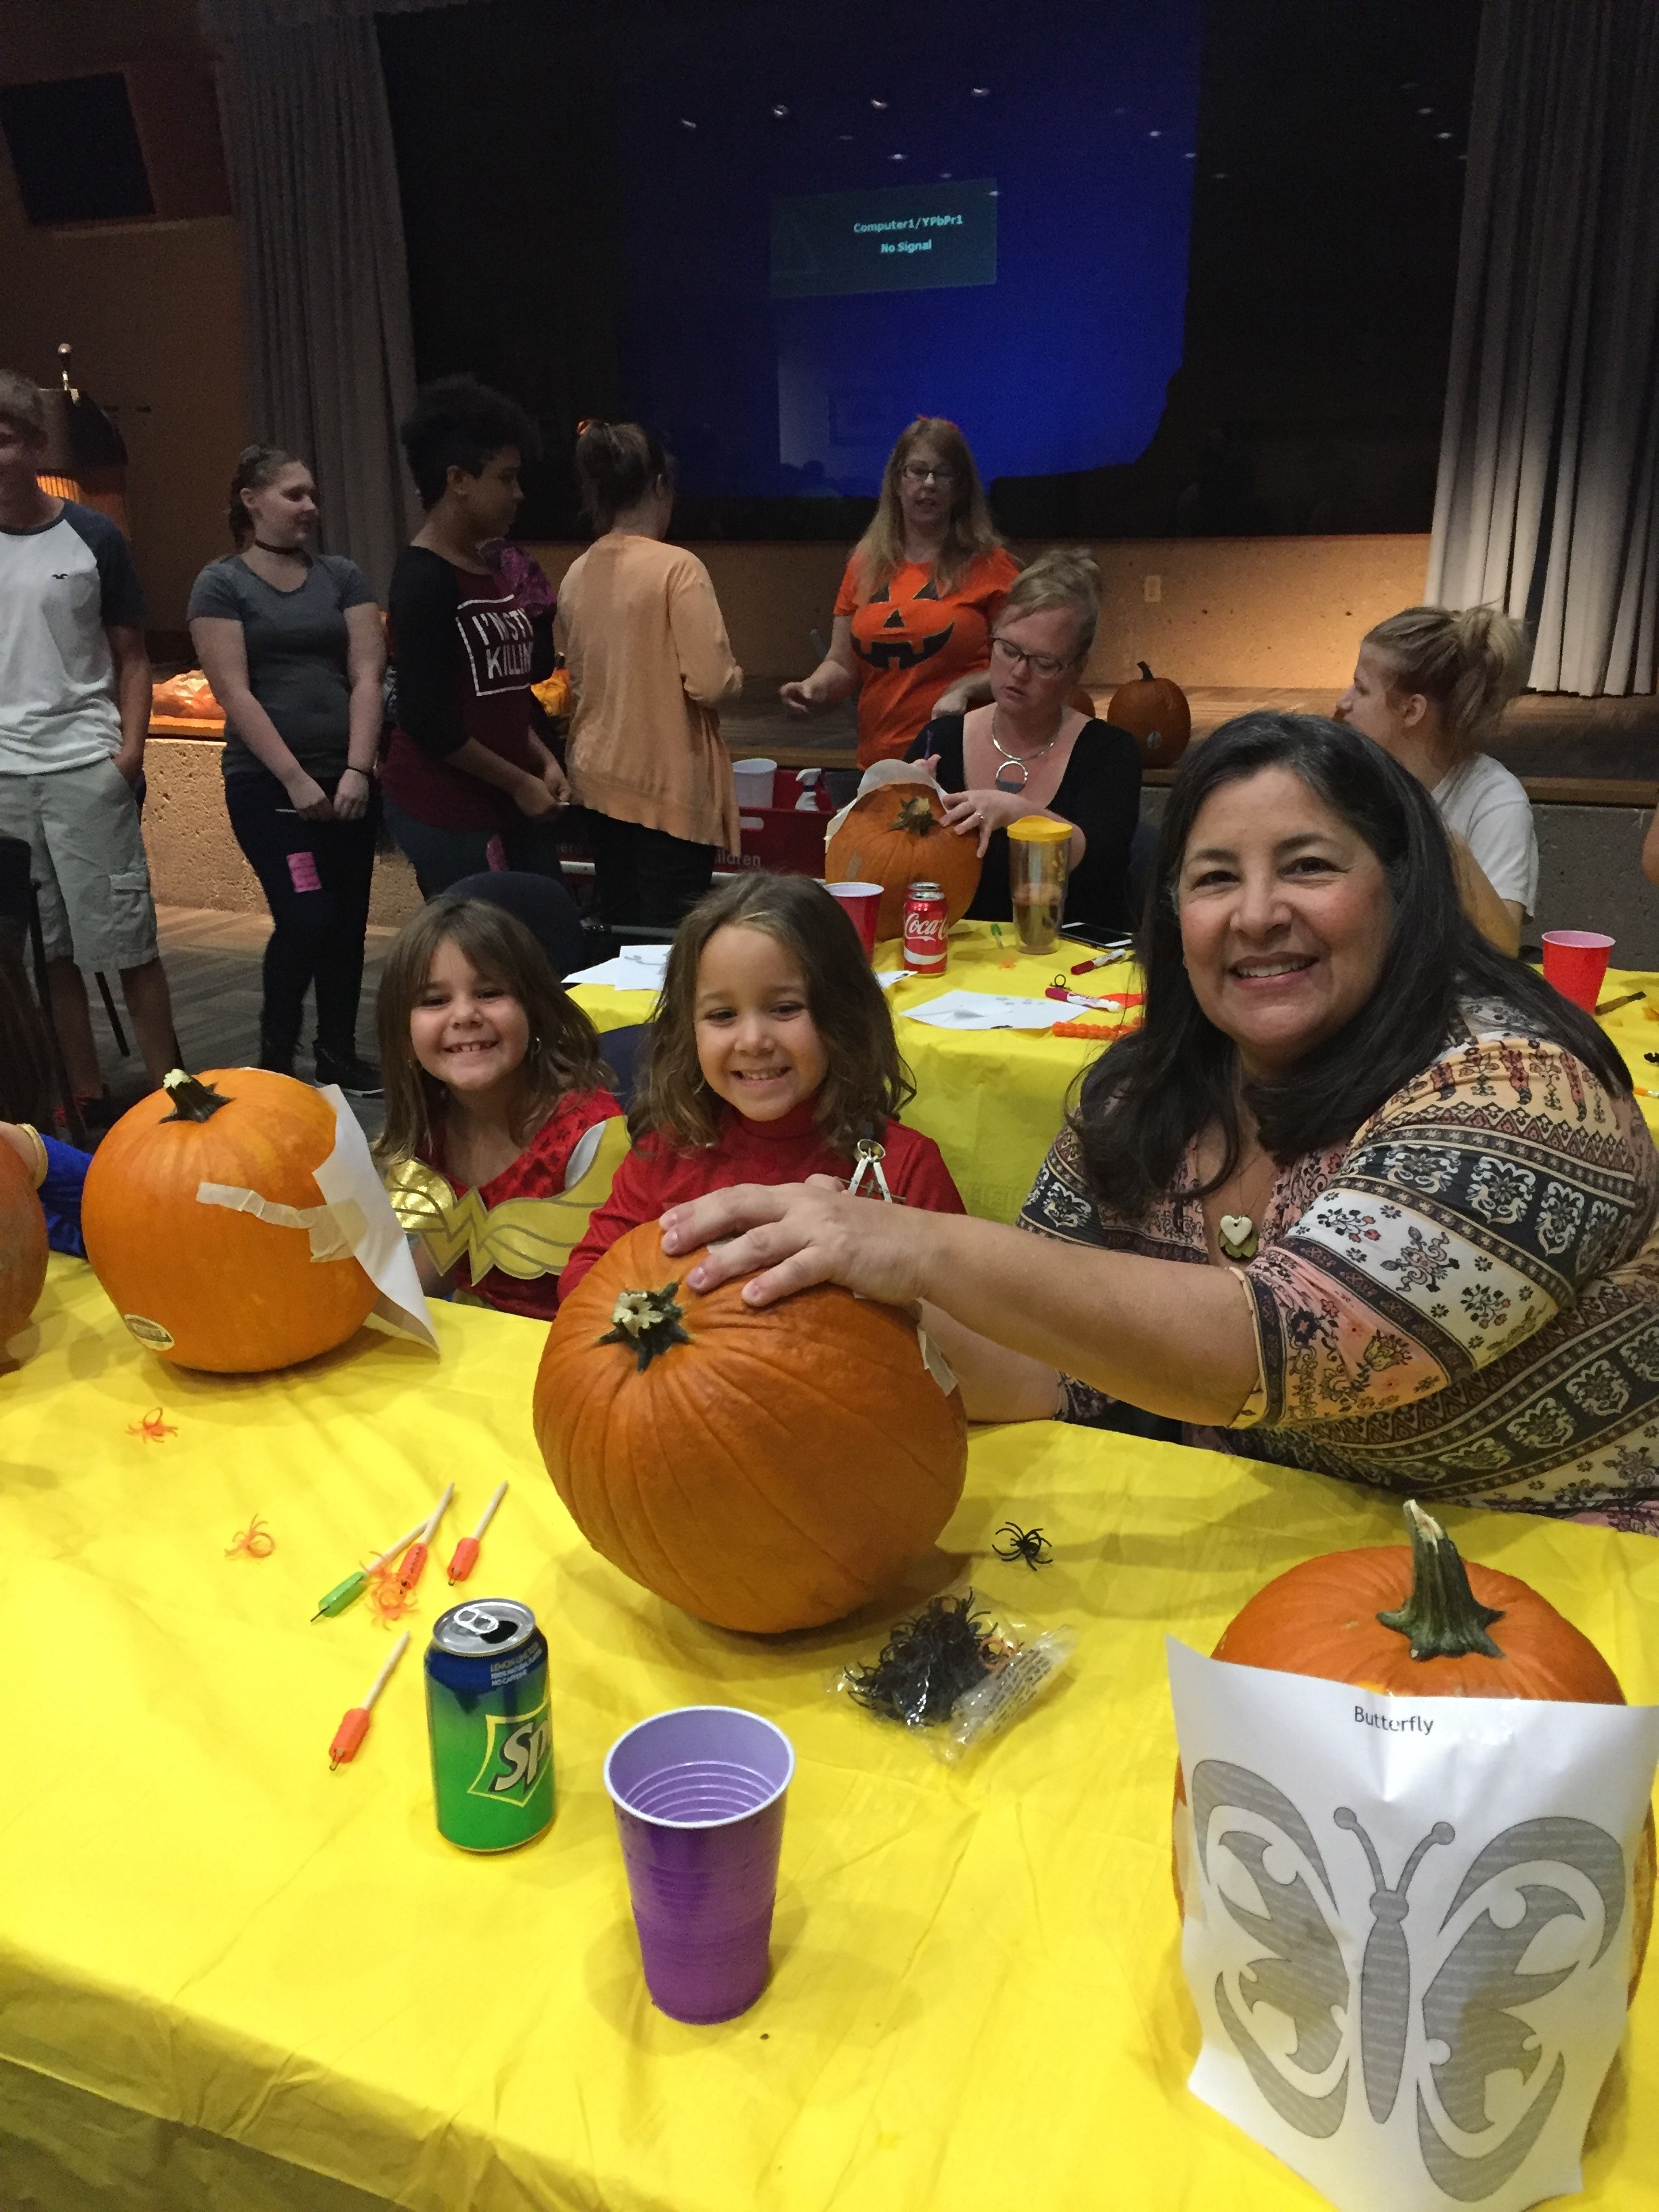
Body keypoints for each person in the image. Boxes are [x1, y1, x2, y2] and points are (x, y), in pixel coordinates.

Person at [657, 714, 1659, 1530]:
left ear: (1401, 888)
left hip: (1553, 1586)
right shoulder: (1142, 1099)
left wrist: (913, 1244)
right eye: (1215, 877)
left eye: (1308, 866)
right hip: (1255, 1559)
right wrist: (818, 1325)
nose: (1255, 913)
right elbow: (1053, 1362)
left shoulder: (1521, 1090)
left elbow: (1289, 1343)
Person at [560, 872, 964, 1296]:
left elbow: (963, 1315)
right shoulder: (666, 1151)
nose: (753, 1041)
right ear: (688, 1031)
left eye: (785, 1008)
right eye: (722, 1015)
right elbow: (584, 1278)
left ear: (845, 1015)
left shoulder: (903, 1168)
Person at [0, 367, 178, 1119]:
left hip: (84, 763)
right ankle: (84, 1093)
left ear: (35, 446)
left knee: (126, 937)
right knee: (48, 951)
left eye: (3, 439)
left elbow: (133, 656)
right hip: (5, 778)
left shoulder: (92, 535)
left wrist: (127, 758)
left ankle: (174, 1091)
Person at [187, 445, 386, 1090]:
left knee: (346, 924)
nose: (310, 507)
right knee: (307, 917)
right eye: (294, 494)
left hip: (346, 779)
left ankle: (337, 1054)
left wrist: (357, 769)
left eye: (313, 496)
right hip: (269, 786)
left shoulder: (342, 576)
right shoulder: (222, 583)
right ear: (251, 500)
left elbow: (367, 674)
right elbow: (233, 691)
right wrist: (296, 779)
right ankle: (275, 1059)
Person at [374, 897, 624, 1322]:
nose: (465, 1015)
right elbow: (451, 1247)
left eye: (490, 993)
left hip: (567, 1341)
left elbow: (616, 1301)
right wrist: (378, 1316)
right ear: (403, 1035)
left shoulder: (592, 1139)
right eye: (434, 1000)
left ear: (535, 1011)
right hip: (474, 1340)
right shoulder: (431, 1122)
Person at [381, 378, 568, 897]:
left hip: (503, 797)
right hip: (444, 807)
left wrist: (542, 760)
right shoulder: (423, 578)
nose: (518, 494)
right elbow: (426, 718)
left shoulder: (490, 566)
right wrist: (519, 780)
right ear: (459, 480)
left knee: (549, 926)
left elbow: (495, 698)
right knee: (491, 938)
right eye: (506, 478)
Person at [556, 422, 743, 929]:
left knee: (619, 928)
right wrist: (735, 676)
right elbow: (711, 682)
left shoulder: (577, 572)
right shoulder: (678, 568)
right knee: (668, 943)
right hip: (667, 783)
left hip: (595, 779)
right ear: (661, 486)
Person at [907, 549, 1142, 935]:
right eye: (1009, 650)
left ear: (1076, 670)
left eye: (1044, 663)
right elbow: (893, 868)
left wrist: (1018, 814)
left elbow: (1100, 863)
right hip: (956, 955)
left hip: (1070, 956)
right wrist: (903, 803)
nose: (1019, 673)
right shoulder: (940, 741)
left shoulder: (1110, 752)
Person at [781, 417, 1021, 771]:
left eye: (943, 474)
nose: (929, 484)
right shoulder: (866, 563)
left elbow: (1022, 664)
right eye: (918, 471)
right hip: (879, 763)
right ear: (896, 481)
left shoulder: (991, 565)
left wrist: (967, 688)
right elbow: (842, 664)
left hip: (962, 760)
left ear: (960, 488)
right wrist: (812, 689)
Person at [1336, 605, 1534, 954]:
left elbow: (1501, 951)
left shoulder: (1495, 801)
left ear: (1412, 711)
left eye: (1361, 689)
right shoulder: (1344, 778)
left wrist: (1432, 832)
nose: (1343, 702)